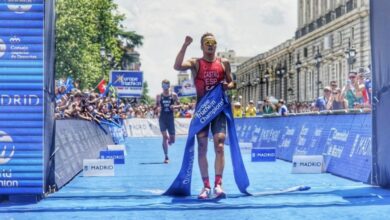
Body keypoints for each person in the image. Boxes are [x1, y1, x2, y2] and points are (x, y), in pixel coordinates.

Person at [173, 33, 235, 199]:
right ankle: (206, 186)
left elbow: (232, 82)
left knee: (220, 145)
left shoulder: (224, 63)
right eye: (206, 42)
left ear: (216, 45)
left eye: (213, 42)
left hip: (219, 110)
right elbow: (177, 66)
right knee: (202, 147)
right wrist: (185, 45)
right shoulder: (196, 63)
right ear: (202, 46)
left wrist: (227, 86)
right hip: (202, 110)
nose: (210, 45)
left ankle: (218, 185)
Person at [156, 79, 180, 164]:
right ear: (162, 86)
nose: (165, 87)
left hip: (170, 118)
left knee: (172, 140)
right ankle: (166, 156)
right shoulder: (159, 96)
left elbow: (180, 105)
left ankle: (170, 140)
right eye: (163, 85)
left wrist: (175, 107)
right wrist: (158, 109)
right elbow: (156, 106)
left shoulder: (174, 95)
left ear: (169, 86)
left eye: (166, 85)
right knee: (164, 137)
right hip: (162, 118)